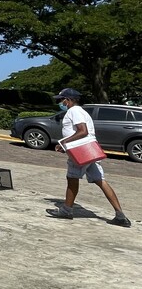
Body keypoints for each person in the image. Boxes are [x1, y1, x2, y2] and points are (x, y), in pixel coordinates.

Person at [46, 88, 131, 227]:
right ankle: (120, 215)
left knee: (72, 179)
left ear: (68, 100)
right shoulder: (80, 111)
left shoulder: (75, 111)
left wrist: (64, 142)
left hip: (80, 151)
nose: (60, 102)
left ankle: (66, 210)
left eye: (61, 99)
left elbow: (82, 131)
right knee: (101, 181)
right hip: (90, 151)